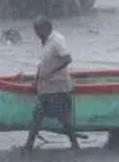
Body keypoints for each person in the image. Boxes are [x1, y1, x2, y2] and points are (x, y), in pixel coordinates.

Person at [23, 17, 79, 152]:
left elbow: (67, 58)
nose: (36, 33)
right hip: (45, 88)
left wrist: (50, 73)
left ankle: (75, 144)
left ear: (46, 29)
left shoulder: (56, 40)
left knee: (63, 119)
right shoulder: (45, 41)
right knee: (36, 116)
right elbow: (43, 64)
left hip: (57, 87)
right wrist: (37, 79)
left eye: (37, 30)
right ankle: (28, 146)